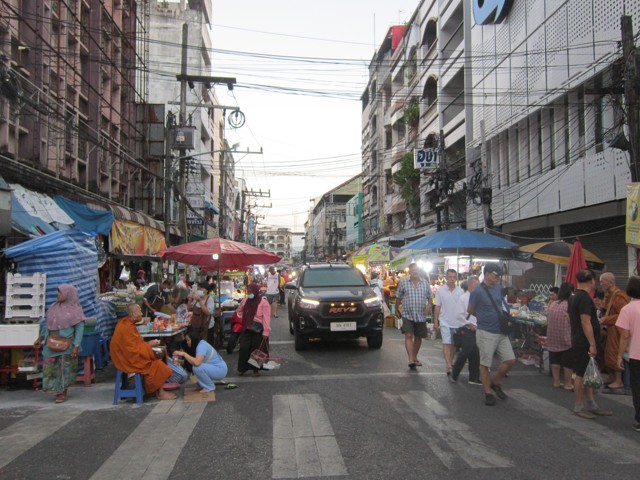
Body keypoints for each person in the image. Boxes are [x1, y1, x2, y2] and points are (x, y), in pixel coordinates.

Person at [467, 263, 515, 406]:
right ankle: (488, 392)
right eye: (495, 275)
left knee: (510, 360)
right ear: (487, 274)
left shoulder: (499, 289)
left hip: (500, 331)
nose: (498, 278)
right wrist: (483, 316)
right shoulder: (478, 292)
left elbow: (501, 304)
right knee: (485, 364)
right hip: (486, 331)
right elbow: (470, 309)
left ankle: (496, 382)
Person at [567, 269, 611, 419]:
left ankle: (591, 404)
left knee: (588, 372)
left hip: (579, 339)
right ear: (592, 280)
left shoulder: (573, 296)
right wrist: (592, 344)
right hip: (584, 342)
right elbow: (585, 322)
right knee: (580, 374)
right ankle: (579, 406)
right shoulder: (584, 298)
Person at [110, 303, 175, 400]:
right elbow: (132, 350)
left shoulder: (128, 324)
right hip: (127, 360)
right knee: (158, 364)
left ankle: (155, 390)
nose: (141, 313)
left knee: (156, 359)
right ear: (133, 314)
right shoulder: (126, 326)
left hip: (128, 356)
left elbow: (135, 344)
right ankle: (160, 392)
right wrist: (149, 345)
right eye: (140, 311)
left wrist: (147, 344)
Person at [33, 284, 86, 404]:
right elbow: (47, 325)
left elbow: (79, 329)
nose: (58, 295)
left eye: (60, 293)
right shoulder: (53, 307)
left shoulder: (76, 311)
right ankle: (55, 389)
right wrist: (40, 338)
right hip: (51, 343)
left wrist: (76, 346)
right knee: (51, 368)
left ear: (68, 295)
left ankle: (62, 392)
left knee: (64, 369)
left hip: (66, 345)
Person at [395, 263, 432, 369]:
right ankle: (411, 359)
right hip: (408, 314)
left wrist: (429, 306)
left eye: (416, 270)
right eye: (413, 270)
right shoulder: (403, 283)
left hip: (421, 314)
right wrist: (397, 309)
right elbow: (398, 297)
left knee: (418, 337)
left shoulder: (425, 283)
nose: (415, 271)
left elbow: (430, 296)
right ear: (409, 271)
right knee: (408, 335)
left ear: (419, 271)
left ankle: (414, 357)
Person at [615, 276, 640, 432]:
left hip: (636, 354)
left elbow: (624, 335)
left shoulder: (627, 309)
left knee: (637, 388)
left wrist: (619, 355)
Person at [599, 272, 629, 390]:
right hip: (610, 328)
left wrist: (607, 319)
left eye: (603, 281)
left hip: (617, 330)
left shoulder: (619, 296)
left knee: (614, 352)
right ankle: (612, 376)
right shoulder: (609, 294)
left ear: (610, 282)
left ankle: (618, 380)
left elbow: (623, 314)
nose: (601, 284)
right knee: (607, 352)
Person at [433, 269, 465, 377]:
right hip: (444, 321)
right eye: (450, 277)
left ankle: (450, 362)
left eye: (454, 277)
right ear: (446, 278)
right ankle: (448, 365)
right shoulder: (440, 291)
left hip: (457, 322)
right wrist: (435, 321)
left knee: (454, 345)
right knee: (446, 342)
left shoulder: (461, 291)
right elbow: (437, 306)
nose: (452, 279)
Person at [236, 283, 271, 376]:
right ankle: (243, 368)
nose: (250, 293)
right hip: (246, 328)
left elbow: (266, 318)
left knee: (256, 350)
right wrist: (244, 318)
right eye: (248, 292)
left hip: (258, 330)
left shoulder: (263, 303)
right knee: (244, 348)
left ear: (256, 291)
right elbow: (239, 311)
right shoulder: (244, 301)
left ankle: (256, 370)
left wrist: (266, 331)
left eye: (251, 292)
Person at [451, 276, 481, 385]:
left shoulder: (478, 298)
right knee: (465, 353)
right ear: (469, 285)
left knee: (475, 354)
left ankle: (474, 377)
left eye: (478, 285)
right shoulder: (463, 298)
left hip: (477, 329)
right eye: (475, 285)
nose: (477, 287)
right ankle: (455, 373)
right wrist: (469, 324)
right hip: (467, 329)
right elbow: (458, 314)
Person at [546, 282, 575, 390]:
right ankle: (567, 383)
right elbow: (572, 320)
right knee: (568, 361)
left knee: (555, 359)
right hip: (566, 337)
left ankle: (556, 381)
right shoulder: (569, 305)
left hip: (552, 336)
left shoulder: (553, 304)